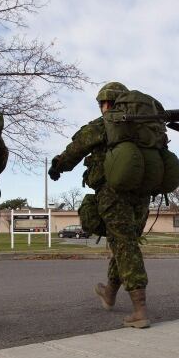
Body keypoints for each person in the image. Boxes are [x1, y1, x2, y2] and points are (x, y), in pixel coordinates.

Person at [48, 82, 151, 329]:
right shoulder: (145, 126)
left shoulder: (105, 123)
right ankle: (110, 293)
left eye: (102, 103)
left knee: (124, 244)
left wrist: (58, 166)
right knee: (124, 241)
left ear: (107, 103)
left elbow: (77, 147)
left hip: (114, 194)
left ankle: (140, 309)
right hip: (143, 195)